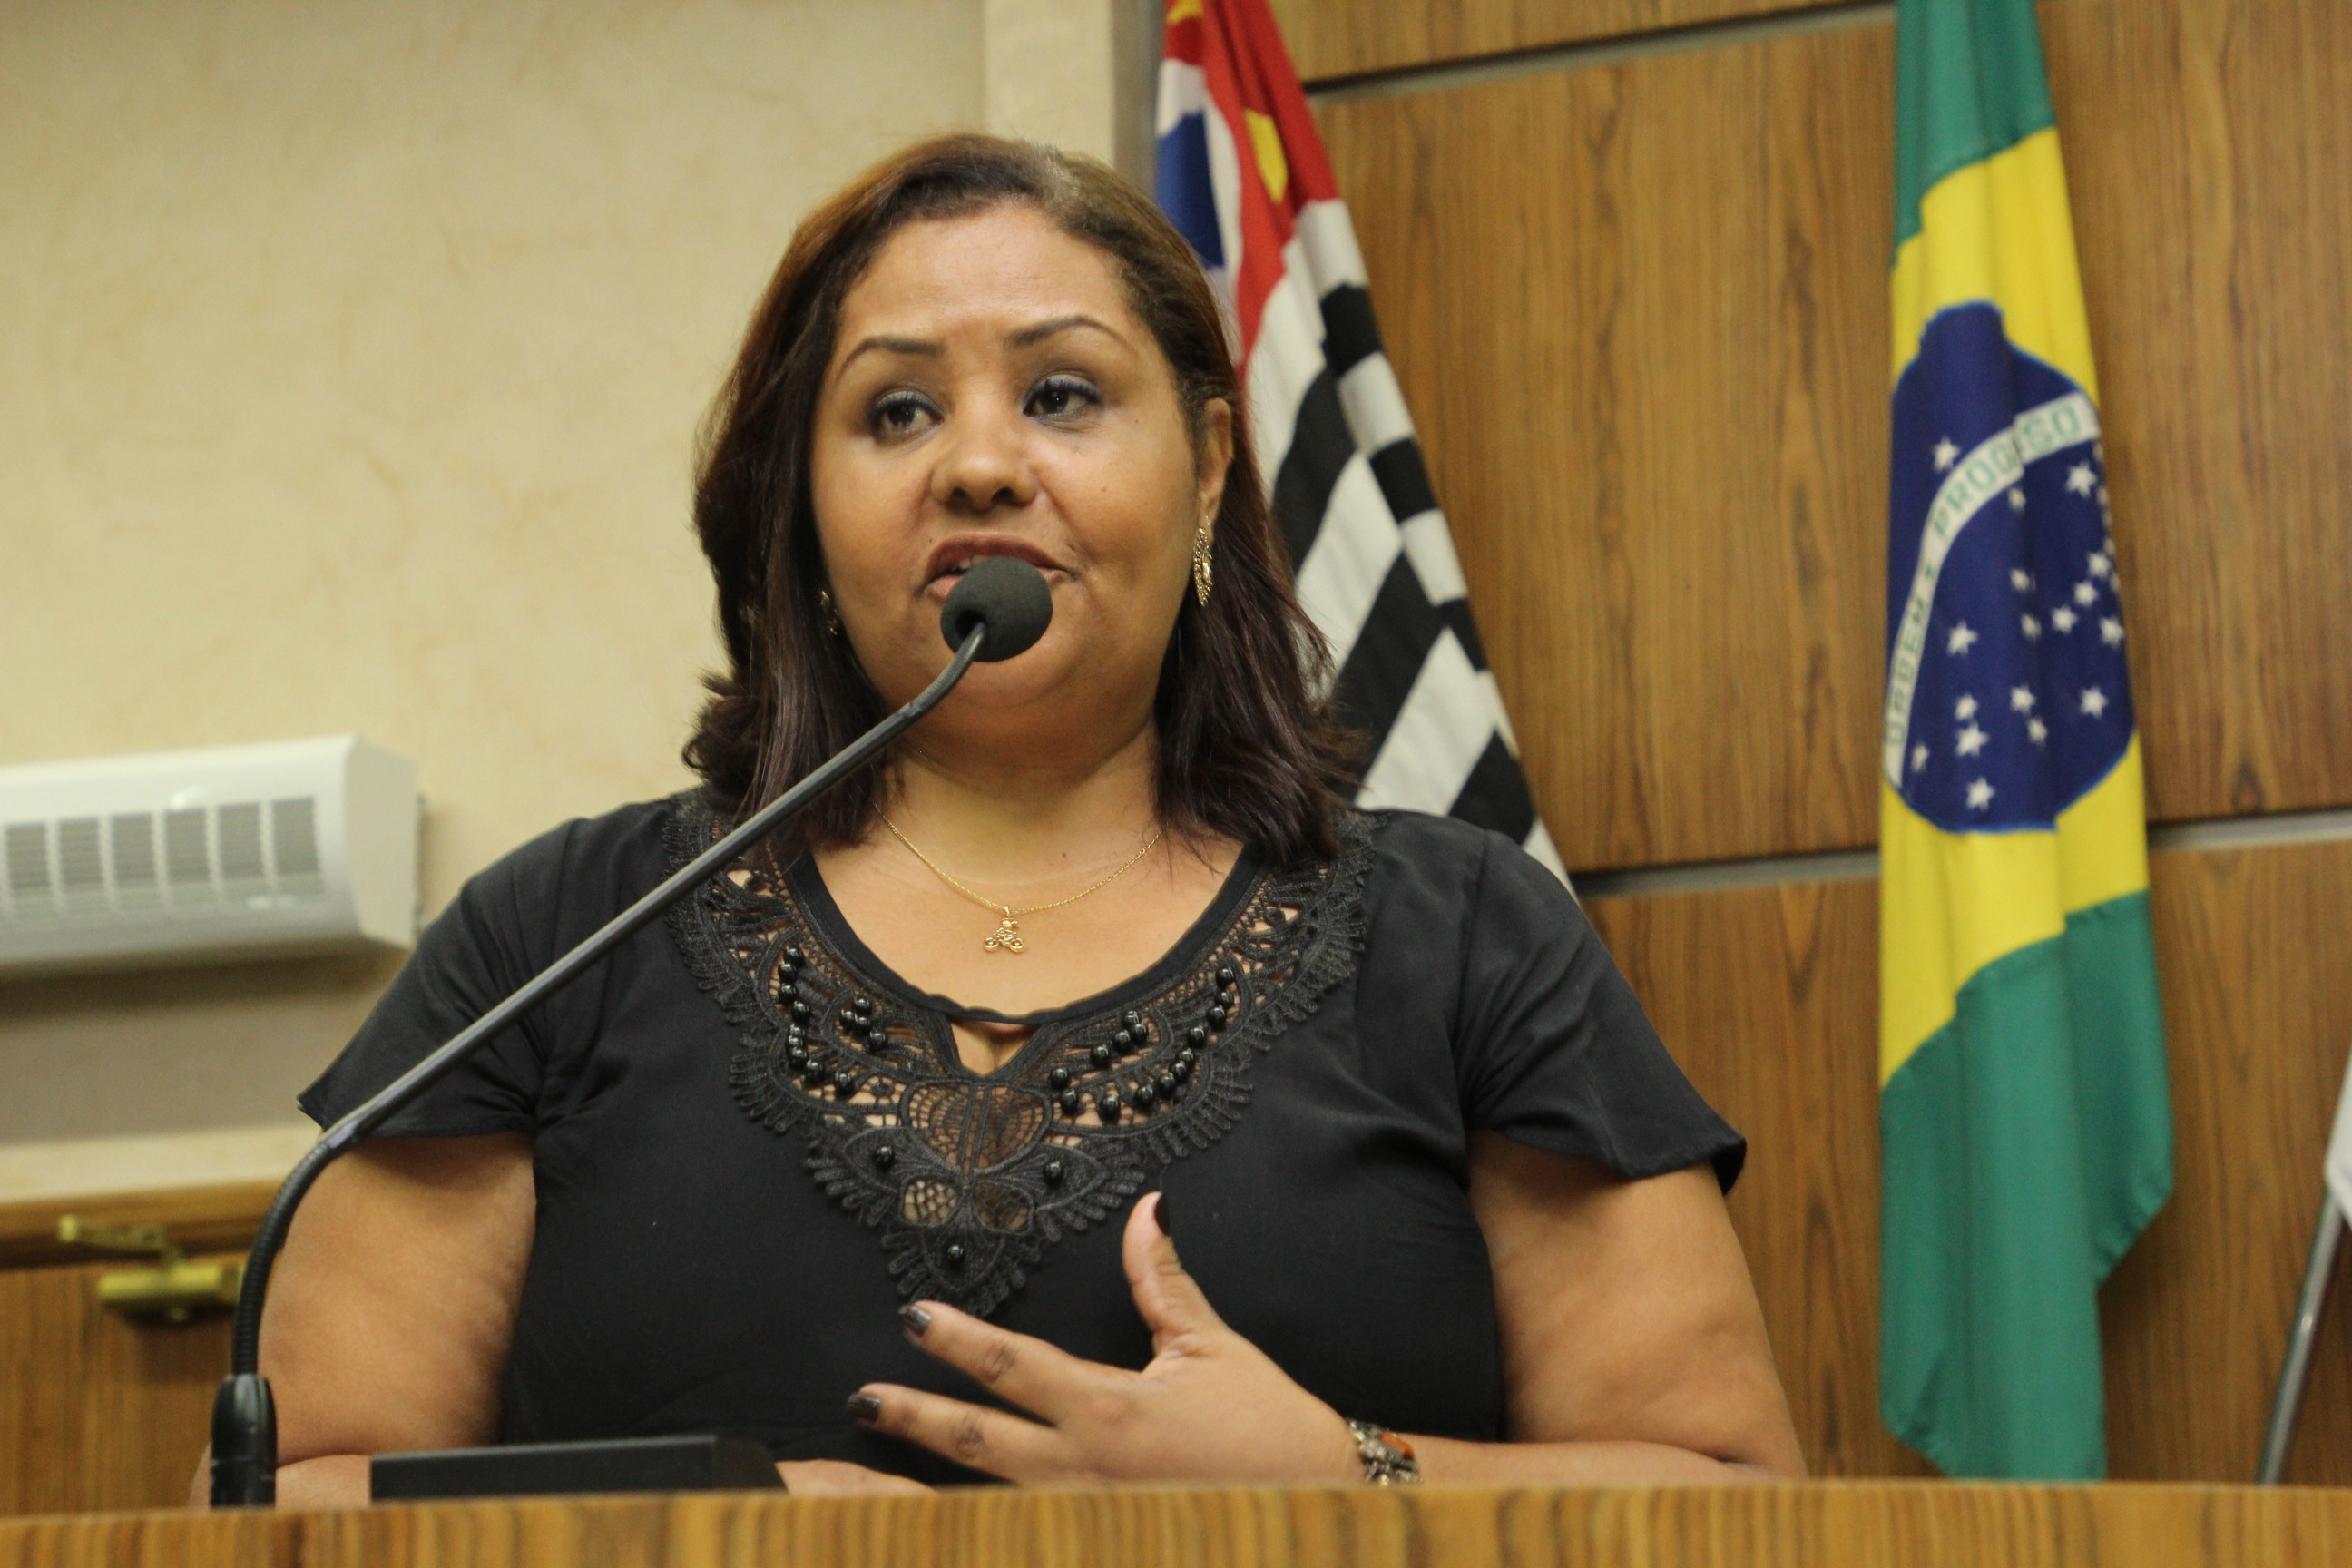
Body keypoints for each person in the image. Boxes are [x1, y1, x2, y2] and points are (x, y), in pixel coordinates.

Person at [209, 134, 1802, 1504]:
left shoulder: (1465, 942)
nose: (979, 464)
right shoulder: (561, 939)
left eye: (1060, 394)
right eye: (897, 412)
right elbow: (281, 1499)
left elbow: (1734, 1499)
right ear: (804, 508)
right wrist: (714, 1527)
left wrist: (1338, 1473)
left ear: (1206, 468)